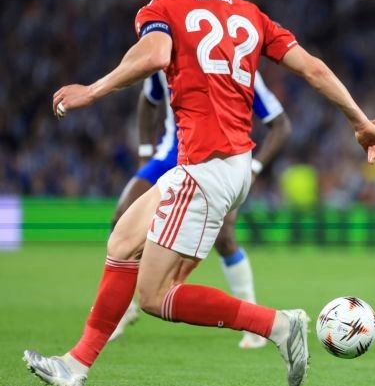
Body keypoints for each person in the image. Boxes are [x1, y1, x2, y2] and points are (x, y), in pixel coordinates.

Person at [24, 0, 375, 386]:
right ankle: (75, 364)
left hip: (204, 167)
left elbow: (155, 55)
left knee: (154, 296)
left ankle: (277, 325)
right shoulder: (250, 14)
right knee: (123, 241)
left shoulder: (162, 7)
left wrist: (91, 91)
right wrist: (360, 121)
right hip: (226, 164)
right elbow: (314, 69)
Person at [108, 69, 292, 349]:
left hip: (214, 161)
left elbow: (281, 125)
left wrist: (254, 169)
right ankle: (121, 308)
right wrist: (145, 153)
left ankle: (255, 326)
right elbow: (148, 99)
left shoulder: (241, 66)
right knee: (123, 216)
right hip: (170, 155)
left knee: (224, 236)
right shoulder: (166, 56)